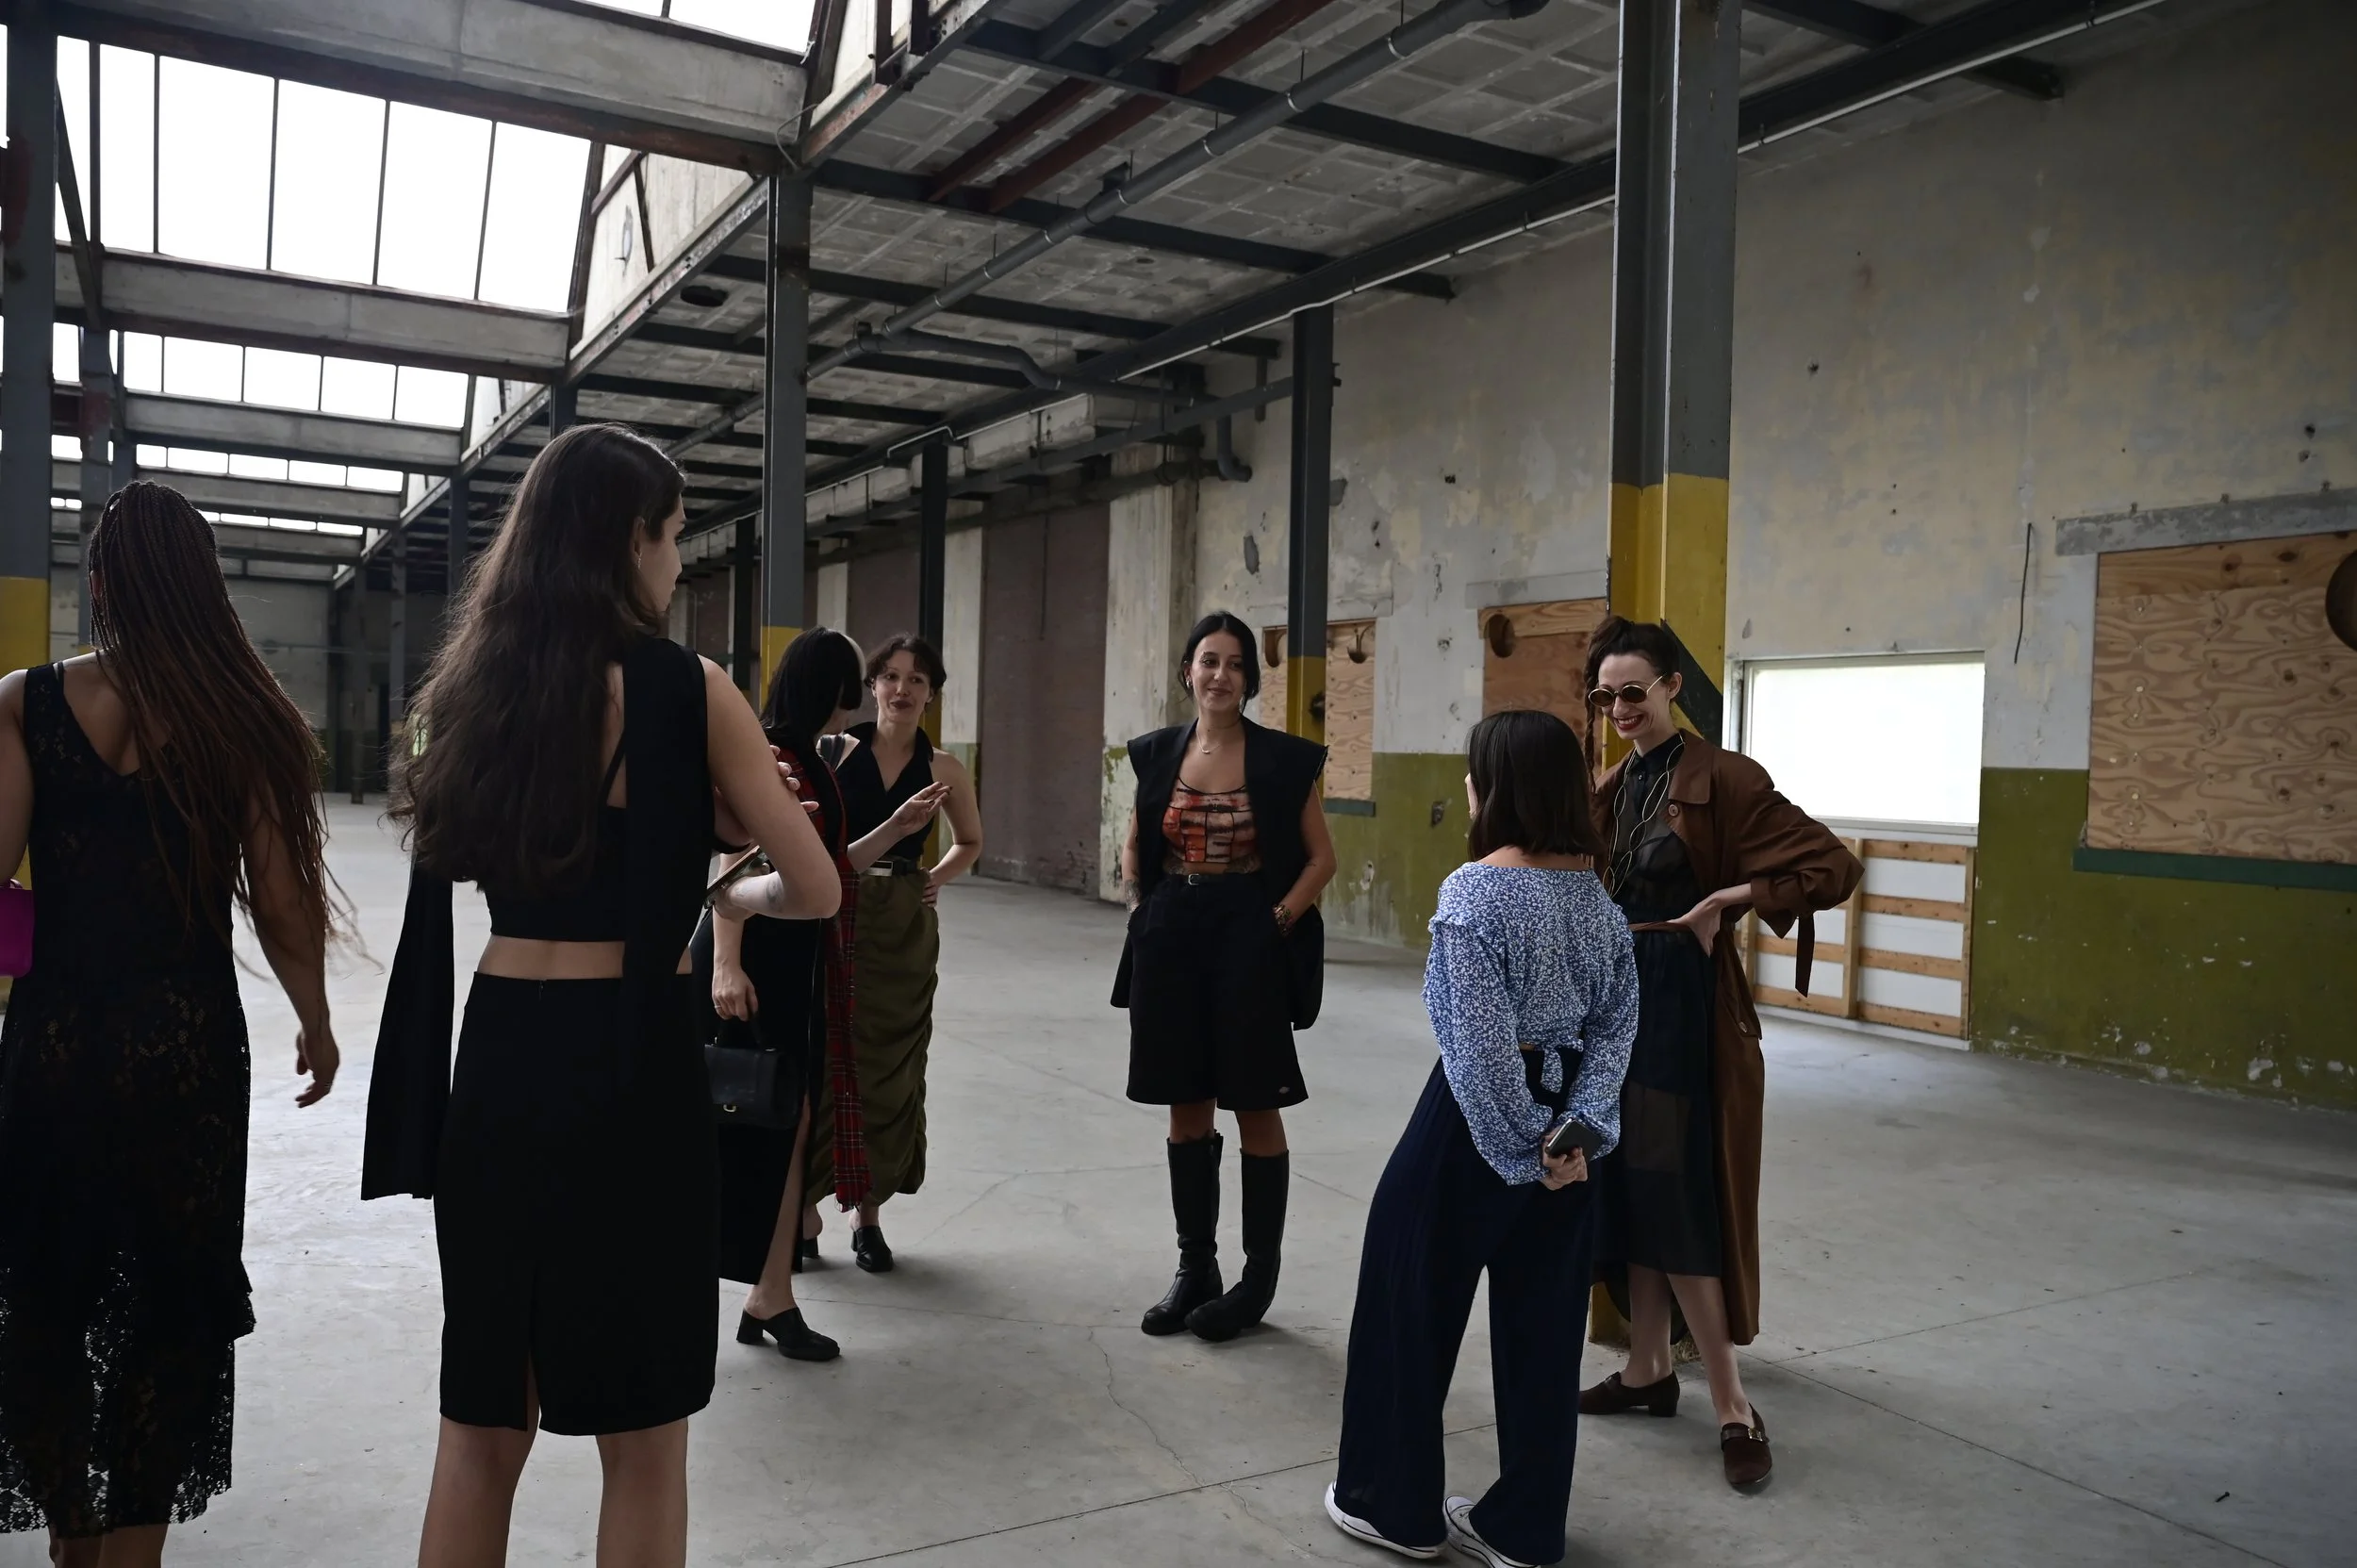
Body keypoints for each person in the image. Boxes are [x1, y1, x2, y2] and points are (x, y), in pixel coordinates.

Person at [365, 423, 841, 1567]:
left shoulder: (468, 688)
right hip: (632, 1065)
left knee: (481, 1428)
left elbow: (445, 828)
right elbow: (817, 888)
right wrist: (724, 858)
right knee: (645, 1438)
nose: (679, 563)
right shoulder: (691, 690)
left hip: (500, 1052)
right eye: (674, 537)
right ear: (630, 538)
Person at [0, 482, 341, 1567]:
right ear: (207, 589)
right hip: (188, 1055)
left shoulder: (24, 703)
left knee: (53, 1287)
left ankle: (70, 1534)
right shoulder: (242, 719)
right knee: (168, 1305)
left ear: (97, 585)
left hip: (55, 1047)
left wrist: (51, 945)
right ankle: (132, 1549)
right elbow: (285, 907)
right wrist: (317, 1021)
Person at [1325, 709, 1638, 1568]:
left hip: (1477, 1128)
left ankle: (1398, 1507)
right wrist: (1579, 1132)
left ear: (1496, 789)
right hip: (1574, 1136)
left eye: (1473, 773)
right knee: (1543, 1331)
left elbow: (1479, 1045)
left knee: (1407, 1291)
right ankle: (1525, 1528)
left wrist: (1521, 1148)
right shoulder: (1599, 901)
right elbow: (1618, 1027)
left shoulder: (1475, 891)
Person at [1575, 616, 1861, 1490]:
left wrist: (1728, 899)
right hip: (1616, 1003)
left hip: (1681, 1010)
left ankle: (1733, 1402)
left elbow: (1832, 866)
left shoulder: (1725, 778)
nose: (1620, 707)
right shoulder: (1612, 785)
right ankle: (1648, 1367)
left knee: (1679, 1194)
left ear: (1673, 689)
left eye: (1635, 690)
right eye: (1605, 695)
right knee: (1629, 1184)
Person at [1115, 611, 1335, 1343]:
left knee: (1254, 1103)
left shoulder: (1284, 760)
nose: (1220, 674)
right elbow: (1137, 841)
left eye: (1235, 663)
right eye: (1208, 660)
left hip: (1250, 934)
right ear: (1188, 671)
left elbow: (1319, 859)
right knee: (1187, 1104)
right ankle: (1195, 1268)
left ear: (1249, 679)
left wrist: (1277, 919)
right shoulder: (1154, 753)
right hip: (1173, 934)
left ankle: (1256, 1278)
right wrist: (1142, 906)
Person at [701, 626, 916, 1361]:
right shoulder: (772, 755)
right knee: (763, 1119)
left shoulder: (811, 759)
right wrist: (727, 965)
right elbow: (731, 864)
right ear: (834, 686)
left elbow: (825, 868)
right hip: (759, 964)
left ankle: (771, 1292)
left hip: (795, 962)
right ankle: (766, 1292)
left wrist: (898, 826)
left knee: (786, 1119)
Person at [799, 634, 979, 1272]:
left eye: (918, 680)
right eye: (892, 676)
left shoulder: (945, 769)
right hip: (835, 912)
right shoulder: (833, 752)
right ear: (872, 685)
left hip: (901, 928)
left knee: (887, 1064)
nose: (903, 689)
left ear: (932, 694)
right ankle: (805, 1208)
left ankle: (866, 1213)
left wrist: (935, 877)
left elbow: (970, 841)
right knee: (824, 1056)